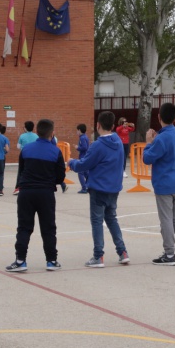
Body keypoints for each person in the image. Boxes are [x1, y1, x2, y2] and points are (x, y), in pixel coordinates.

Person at [69, 111, 130, 268]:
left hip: (99, 188)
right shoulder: (117, 141)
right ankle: (122, 252)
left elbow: (84, 164)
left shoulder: (97, 145)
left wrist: (71, 162)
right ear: (113, 126)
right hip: (114, 187)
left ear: (98, 125)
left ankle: (98, 256)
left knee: (97, 221)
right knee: (111, 218)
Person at [6, 119, 67, 272]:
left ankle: (20, 260)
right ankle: (51, 260)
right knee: (48, 228)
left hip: (26, 192)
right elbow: (60, 177)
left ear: (37, 132)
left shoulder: (26, 149)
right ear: (52, 133)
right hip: (46, 193)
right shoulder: (55, 151)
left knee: (24, 227)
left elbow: (21, 171)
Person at [143, 102, 175, 265]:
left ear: (159, 117)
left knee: (166, 218)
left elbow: (147, 158)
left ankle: (169, 253)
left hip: (164, 183)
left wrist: (148, 142)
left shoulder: (162, 138)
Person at [14, 120, 37, 196]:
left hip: (24, 154)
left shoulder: (22, 136)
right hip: (34, 155)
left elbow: (18, 146)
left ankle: (18, 187)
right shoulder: (36, 136)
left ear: (25, 128)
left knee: (21, 171)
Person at [77, 123, 93, 193]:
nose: (76, 132)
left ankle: (84, 188)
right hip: (86, 156)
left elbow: (84, 147)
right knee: (86, 173)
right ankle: (89, 186)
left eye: (77, 130)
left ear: (79, 130)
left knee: (80, 172)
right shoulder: (85, 137)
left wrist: (78, 148)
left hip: (83, 156)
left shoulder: (82, 138)